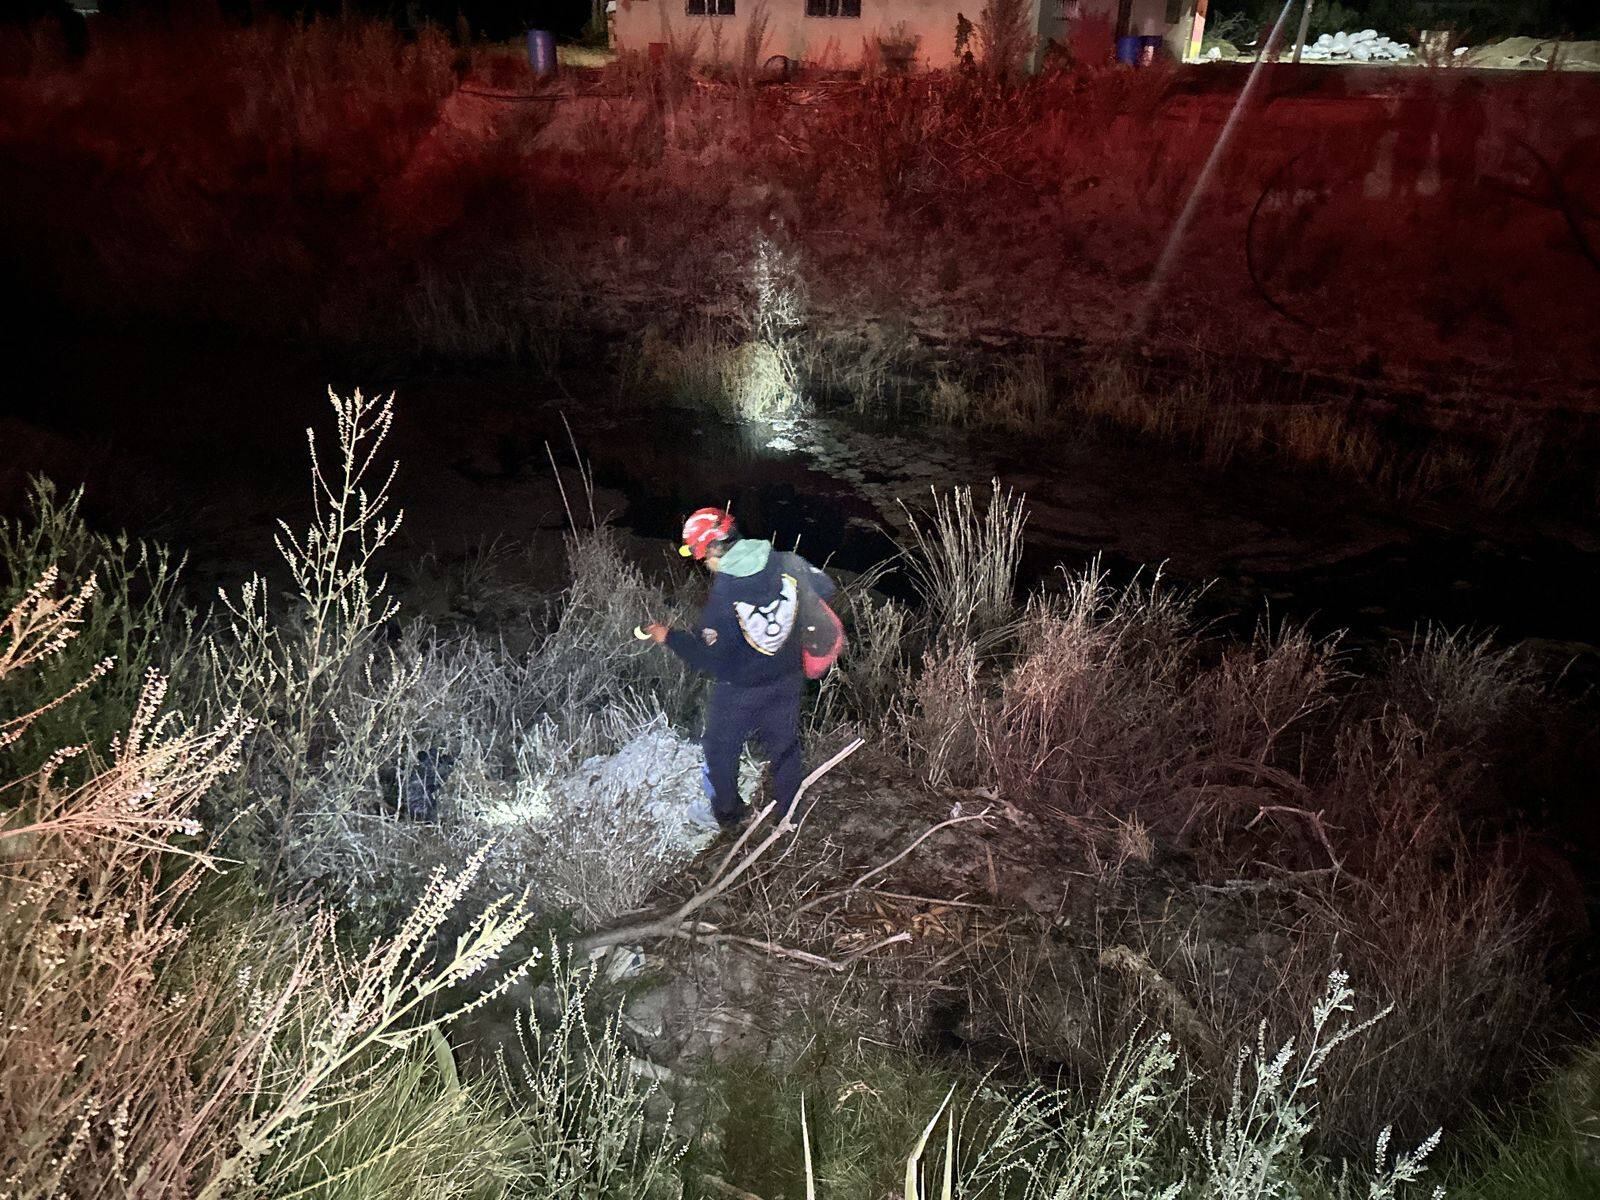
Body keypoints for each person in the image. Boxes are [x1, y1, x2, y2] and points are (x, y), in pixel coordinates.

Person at [644, 508, 836, 833]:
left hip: (741, 688)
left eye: (700, 555)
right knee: (785, 747)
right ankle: (791, 816)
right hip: (788, 677)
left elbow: (707, 656)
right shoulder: (785, 561)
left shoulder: (726, 593)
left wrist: (669, 637)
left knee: (720, 747)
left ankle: (729, 815)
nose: (702, 563)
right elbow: (825, 587)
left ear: (712, 550)